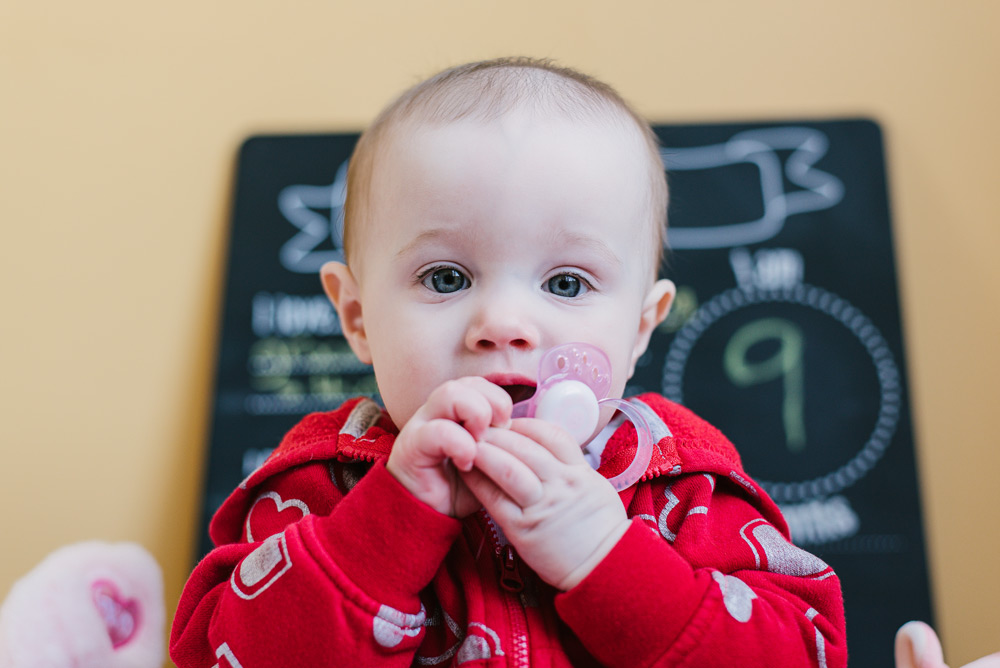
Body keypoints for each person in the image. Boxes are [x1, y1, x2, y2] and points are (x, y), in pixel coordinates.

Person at [170, 57, 847, 667]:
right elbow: (220, 654)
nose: (503, 325)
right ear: (357, 318)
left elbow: (806, 652)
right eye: (445, 278)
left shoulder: (684, 486)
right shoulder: (320, 483)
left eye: (567, 283)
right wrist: (384, 530)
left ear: (641, 327)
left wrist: (606, 558)